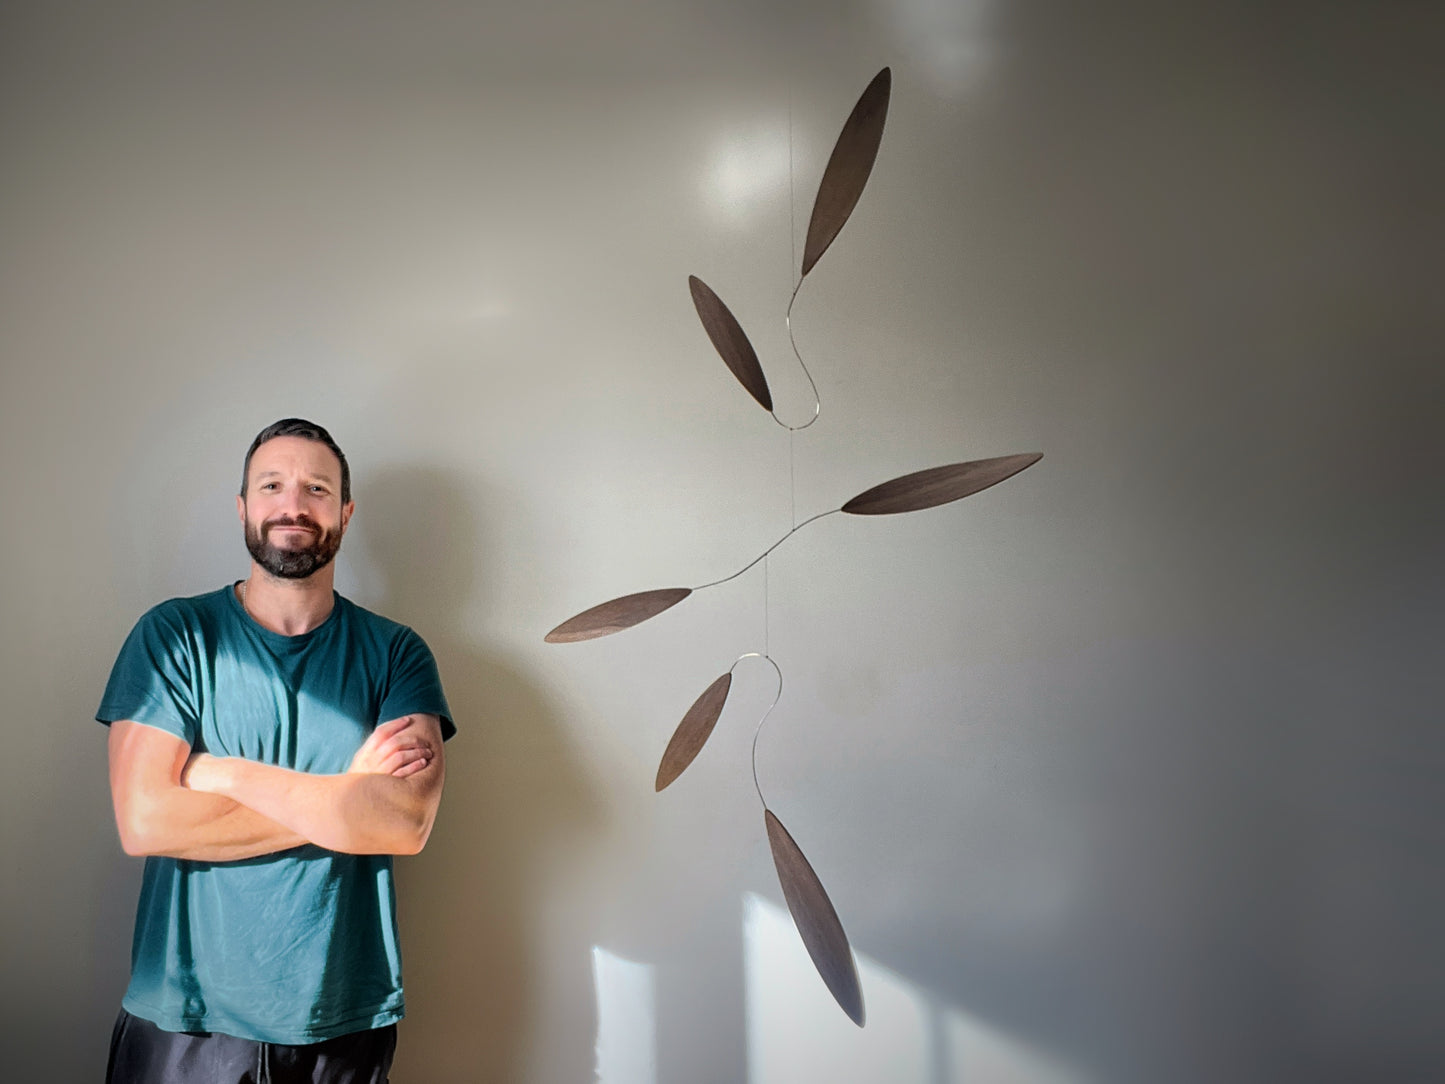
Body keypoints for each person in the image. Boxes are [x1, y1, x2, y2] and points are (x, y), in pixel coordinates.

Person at [97, 418, 454, 1084]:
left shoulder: (396, 653)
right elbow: (144, 820)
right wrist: (346, 800)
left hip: (341, 1020)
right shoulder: (174, 636)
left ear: (345, 514)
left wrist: (213, 772)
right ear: (243, 508)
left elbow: (402, 824)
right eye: (272, 486)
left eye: (316, 489)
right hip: (185, 1019)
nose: (293, 505)